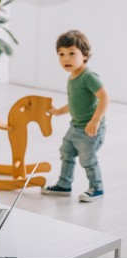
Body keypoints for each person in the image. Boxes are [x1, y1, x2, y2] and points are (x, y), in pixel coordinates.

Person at [42, 30, 110, 202]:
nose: (66, 58)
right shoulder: (72, 77)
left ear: (85, 55)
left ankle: (97, 188)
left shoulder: (88, 77)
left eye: (72, 53)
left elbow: (104, 97)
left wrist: (95, 120)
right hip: (75, 127)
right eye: (61, 54)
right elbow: (73, 103)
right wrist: (58, 111)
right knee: (66, 152)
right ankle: (64, 185)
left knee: (88, 160)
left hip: (89, 130)